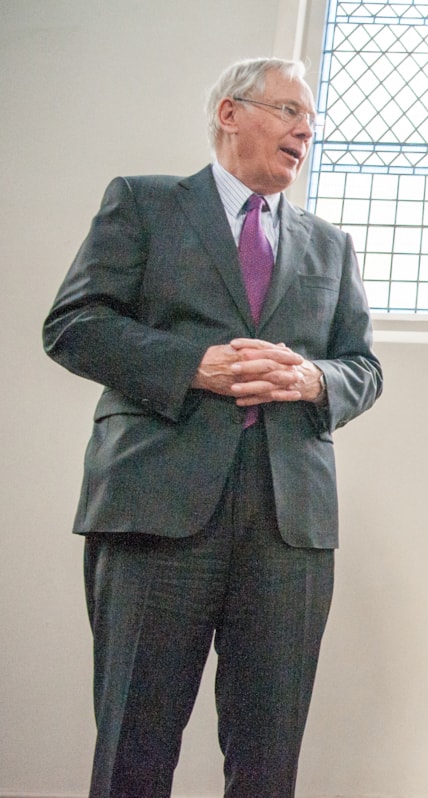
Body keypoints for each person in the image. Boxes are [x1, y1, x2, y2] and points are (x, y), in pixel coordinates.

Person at [43, 57, 383, 797]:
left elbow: (364, 366)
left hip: (288, 527)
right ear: (232, 113)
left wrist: (313, 378)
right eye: (289, 111)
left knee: (268, 760)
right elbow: (73, 325)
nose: (306, 129)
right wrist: (195, 365)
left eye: (311, 119)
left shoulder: (331, 245)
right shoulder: (144, 204)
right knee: (135, 746)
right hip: (155, 509)